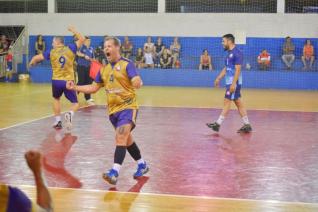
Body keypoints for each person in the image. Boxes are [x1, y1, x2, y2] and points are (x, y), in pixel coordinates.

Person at [66, 36, 149, 185]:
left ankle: (114, 172)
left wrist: (137, 82)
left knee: (120, 137)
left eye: (109, 46)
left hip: (128, 107)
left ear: (118, 48)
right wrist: (75, 87)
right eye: (105, 47)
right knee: (126, 140)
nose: (106, 49)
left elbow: (136, 79)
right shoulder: (103, 70)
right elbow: (93, 88)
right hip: (113, 112)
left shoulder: (127, 64)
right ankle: (142, 164)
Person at [29, 26, 85, 131]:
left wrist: (31, 62)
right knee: (75, 103)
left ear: (58, 42)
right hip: (69, 81)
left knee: (56, 99)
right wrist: (73, 31)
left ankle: (58, 121)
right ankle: (70, 113)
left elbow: (36, 58)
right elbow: (82, 39)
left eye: (53, 42)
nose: (52, 44)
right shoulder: (71, 48)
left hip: (56, 81)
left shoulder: (51, 52)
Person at [207, 34, 252, 133]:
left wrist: (233, 84)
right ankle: (247, 124)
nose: (222, 43)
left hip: (234, 83)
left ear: (229, 41)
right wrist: (218, 78)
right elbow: (226, 68)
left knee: (227, 102)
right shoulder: (229, 53)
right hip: (230, 82)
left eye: (223, 41)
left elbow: (238, 70)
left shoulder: (237, 53)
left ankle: (217, 124)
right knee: (238, 102)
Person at [76, 36, 95, 105]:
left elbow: (93, 58)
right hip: (81, 67)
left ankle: (88, 98)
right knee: (81, 82)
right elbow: (77, 53)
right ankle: (74, 96)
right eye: (87, 41)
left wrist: (92, 61)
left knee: (88, 83)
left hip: (88, 67)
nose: (89, 42)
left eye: (89, 41)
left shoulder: (91, 48)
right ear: (84, 41)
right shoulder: (81, 46)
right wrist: (84, 56)